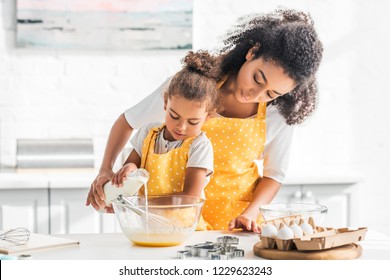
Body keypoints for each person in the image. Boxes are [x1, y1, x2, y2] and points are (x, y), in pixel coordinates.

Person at [86, 8, 323, 233]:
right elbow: (127, 122)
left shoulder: (279, 114)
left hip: (233, 225)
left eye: (271, 93)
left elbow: (274, 175)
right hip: (172, 220)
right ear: (252, 52)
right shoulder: (193, 86)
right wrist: (106, 169)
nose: (255, 94)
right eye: (257, 79)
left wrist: (250, 215)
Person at [107, 50, 220, 208]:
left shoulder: (200, 146)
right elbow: (134, 167)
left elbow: (190, 197)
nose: (181, 126)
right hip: (146, 224)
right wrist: (129, 169)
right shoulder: (148, 133)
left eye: (193, 122)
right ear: (166, 103)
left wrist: (143, 204)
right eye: (174, 116)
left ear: (208, 117)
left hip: (183, 227)